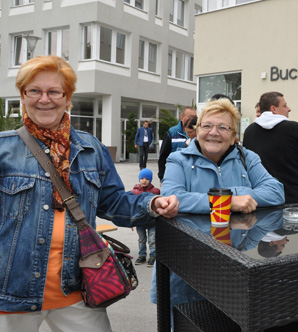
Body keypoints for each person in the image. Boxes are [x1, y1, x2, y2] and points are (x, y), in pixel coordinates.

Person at [0, 55, 179, 332]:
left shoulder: (91, 148)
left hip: (76, 290)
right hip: (11, 293)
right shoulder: (4, 150)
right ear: (23, 96)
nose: (43, 99)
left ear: (67, 97)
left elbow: (114, 203)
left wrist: (153, 202)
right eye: (34, 91)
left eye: (53, 91)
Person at [151, 98, 284, 310]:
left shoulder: (246, 158)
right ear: (197, 130)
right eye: (207, 126)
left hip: (234, 267)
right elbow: (171, 197)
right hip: (187, 264)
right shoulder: (179, 160)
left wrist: (240, 195)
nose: (214, 132)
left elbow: (276, 191)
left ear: (233, 137)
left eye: (223, 127)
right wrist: (229, 202)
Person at [243, 91, 298, 203]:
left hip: (263, 200)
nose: (289, 109)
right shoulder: (294, 128)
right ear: (274, 109)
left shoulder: (249, 132)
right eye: (284, 106)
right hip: (296, 200)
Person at [157, 106, 197, 180]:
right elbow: (163, 156)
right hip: (175, 175)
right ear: (181, 118)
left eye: (194, 117)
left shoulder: (200, 135)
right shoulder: (172, 133)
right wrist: (162, 177)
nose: (192, 120)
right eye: (190, 117)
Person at [132, 168, 161, 267]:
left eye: (147, 179)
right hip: (139, 221)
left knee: (152, 239)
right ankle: (142, 255)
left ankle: (153, 255)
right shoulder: (134, 192)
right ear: (139, 179)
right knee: (141, 239)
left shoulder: (155, 191)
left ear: (150, 180)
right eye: (142, 178)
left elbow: (159, 207)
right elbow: (132, 207)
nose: (144, 180)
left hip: (152, 221)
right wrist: (131, 221)